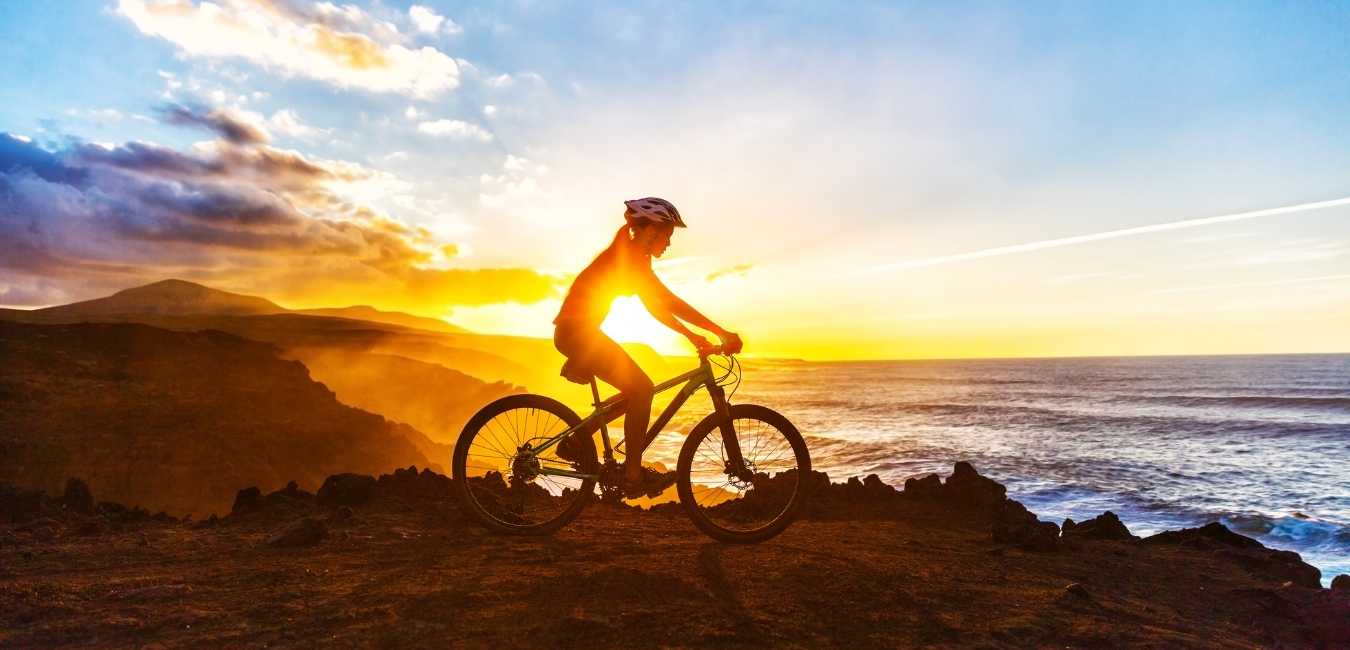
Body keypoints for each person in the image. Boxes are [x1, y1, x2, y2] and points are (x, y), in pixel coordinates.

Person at [553, 197, 742, 499]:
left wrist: (691, 336)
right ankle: (632, 475)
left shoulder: (633, 256)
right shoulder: (627, 256)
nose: (668, 242)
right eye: (667, 234)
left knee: (636, 390)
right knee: (642, 389)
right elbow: (667, 301)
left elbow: (655, 306)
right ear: (651, 229)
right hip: (579, 334)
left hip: (580, 333)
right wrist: (719, 331)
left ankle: (577, 441)